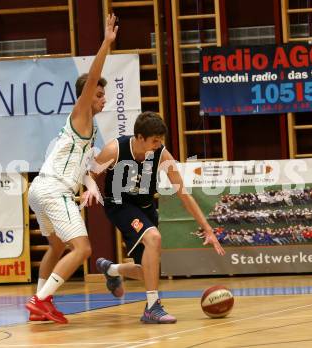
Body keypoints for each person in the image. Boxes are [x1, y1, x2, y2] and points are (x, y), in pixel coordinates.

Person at [84, 111, 226, 324]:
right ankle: (152, 307)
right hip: (120, 206)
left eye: (161, 141)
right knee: (154, 238)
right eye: (154, 141)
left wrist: (206, 227)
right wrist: (91, 187)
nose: (158, 145)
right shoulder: (115, 149)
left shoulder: (162, 155)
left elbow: (184, 194)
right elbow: (89, 173)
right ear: (140, 138)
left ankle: (112, 270)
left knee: (148, 272)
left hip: (146, 208)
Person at [25, 14, 118, 324]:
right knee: (83, 249)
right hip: (53, 189)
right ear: (87, 94)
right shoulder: (80, 113)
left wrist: (90, 185)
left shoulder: (88, 130)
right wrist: (106, 42)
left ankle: (40, 305)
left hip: (40, 189)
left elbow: (85, 167)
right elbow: (92, 76)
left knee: (56, 245)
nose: (103, 99)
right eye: (100, 94)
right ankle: (41, 300)